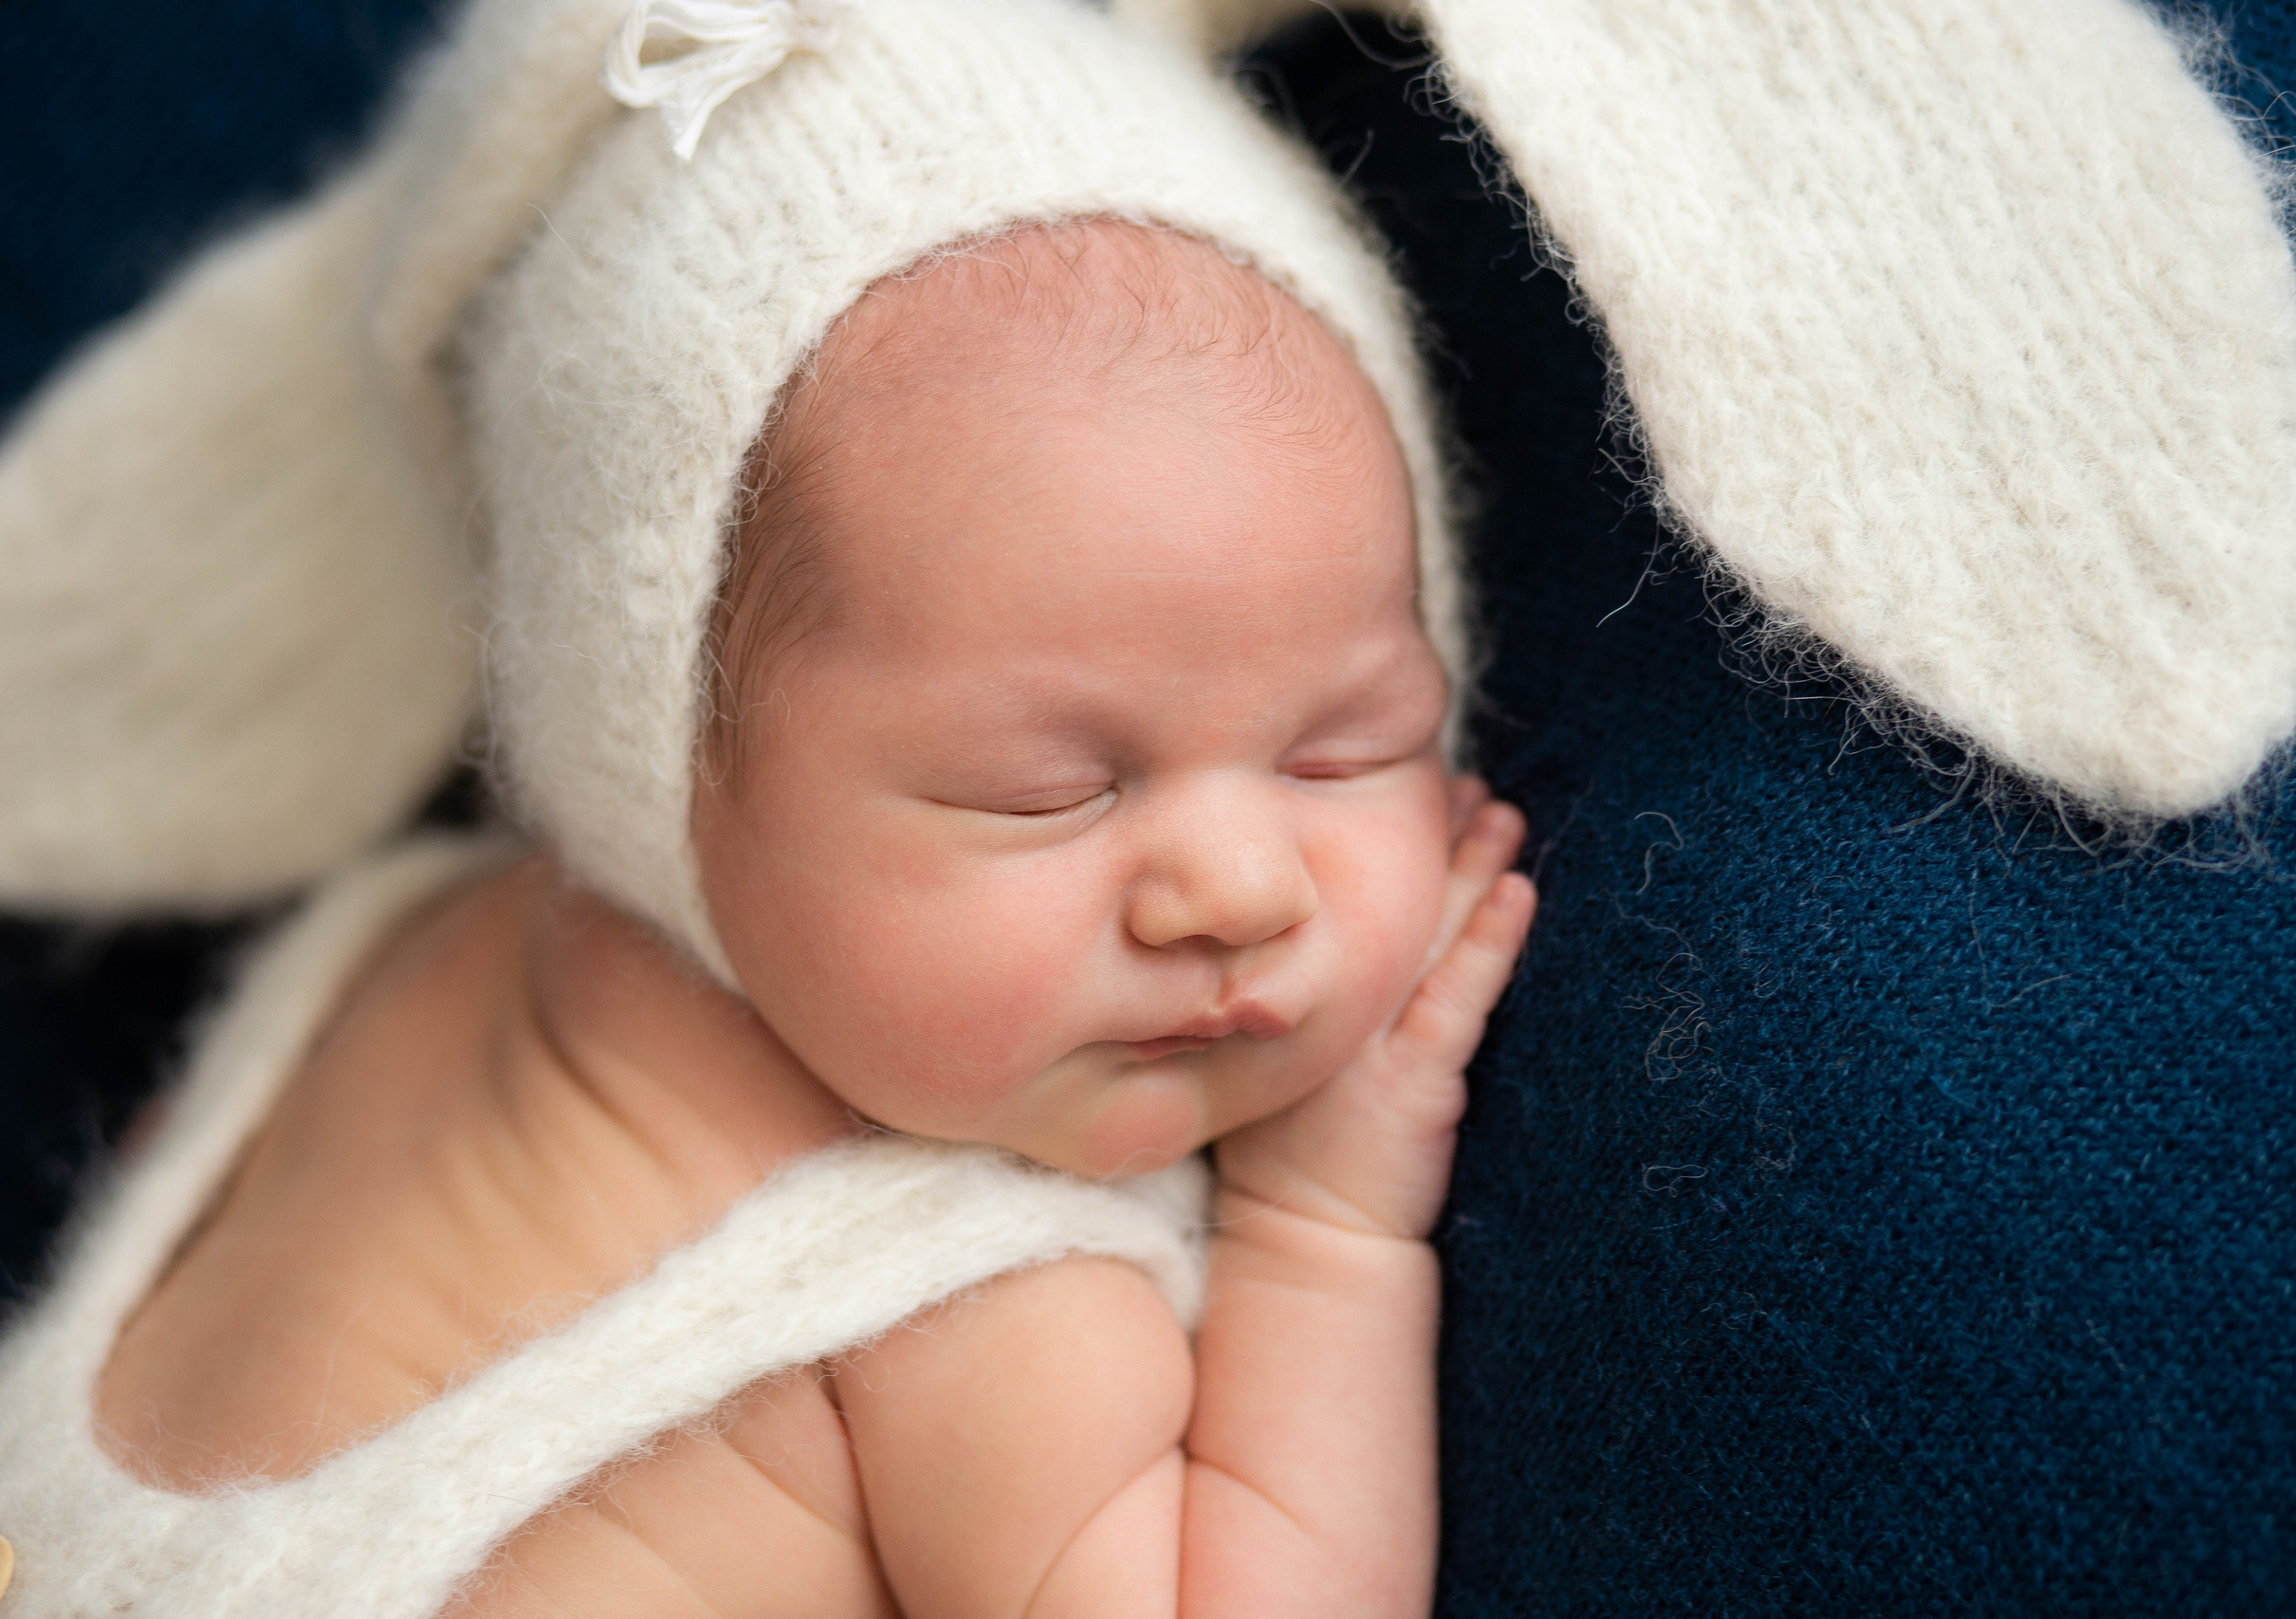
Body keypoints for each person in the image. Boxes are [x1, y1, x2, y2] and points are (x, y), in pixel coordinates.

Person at [0, 3, 1531, 1612]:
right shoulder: (981, 1317)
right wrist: (1324, 1233)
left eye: (1348, 749)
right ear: (647, 748)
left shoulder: (381, 953)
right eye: (1049, 789)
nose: (1234, 884)